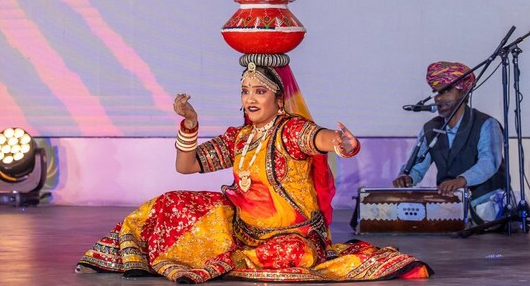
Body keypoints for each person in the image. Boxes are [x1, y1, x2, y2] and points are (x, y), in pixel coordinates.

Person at [77, 63, 431, 282]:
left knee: (295, 256)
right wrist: (190, 124)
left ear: (279, 99)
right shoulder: (240, 137)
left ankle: (215, 261)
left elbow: (319, 138)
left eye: (260, 91)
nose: (250, 98)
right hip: (239, 228)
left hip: (289, 235)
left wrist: (342, 143)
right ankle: (127, 256)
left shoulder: (290, 129)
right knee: (169, 203)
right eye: (245, 91)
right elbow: (185, 166)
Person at [393, 61, 507, 223]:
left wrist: (461, 180)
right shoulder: (430, 128)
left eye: (446, 91)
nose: (439, 98)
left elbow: (489, 163)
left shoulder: (486, 124)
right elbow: (418, 166)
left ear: (463, 92)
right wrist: (407, 178)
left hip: (485, 204)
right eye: (436, 93)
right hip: (450, 205)